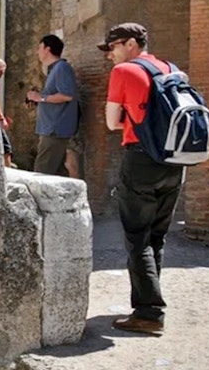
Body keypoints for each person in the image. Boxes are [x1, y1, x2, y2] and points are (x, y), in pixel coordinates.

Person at [100, 22, 184, 336]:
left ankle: (149, 312)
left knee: (137, 237)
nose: (110, 55)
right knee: (156, 237)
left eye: (113, 47)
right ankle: (147, 305)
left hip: (141, 159)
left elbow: (111, 123)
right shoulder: (169, 68)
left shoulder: (124, 72)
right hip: (174, 161)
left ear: (132, 43)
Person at [25, 34, 80, 175]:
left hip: (54, 129)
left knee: (42, 172)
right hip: (51, 129)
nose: (37, 52)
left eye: (39, 48)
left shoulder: (61, 68)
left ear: (47, 49)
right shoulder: (54, 69)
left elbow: (67, 95)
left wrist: (40, 98)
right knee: (57, 173)